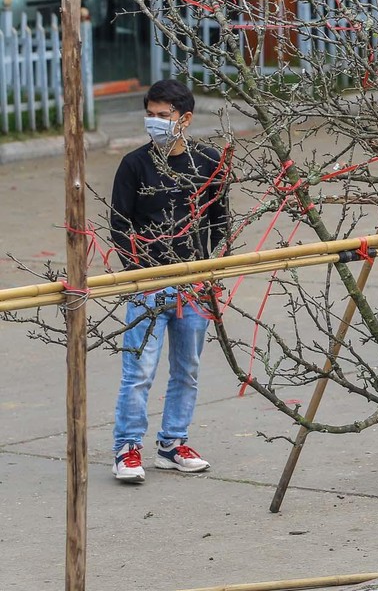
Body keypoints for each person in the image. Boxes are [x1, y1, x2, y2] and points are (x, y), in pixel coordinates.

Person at [109, 79, 229, 483]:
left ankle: (173, 443)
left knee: (187, 368)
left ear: (185, 119)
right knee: (138, 371)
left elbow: (220, 220)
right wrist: (140, 273)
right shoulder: (134, 165)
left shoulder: (209, 161)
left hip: (195, 283)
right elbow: (120, 225)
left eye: (164, 116)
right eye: (150, 115)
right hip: (149, 283)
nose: (155, 123)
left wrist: (213, 267)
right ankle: (127, 448)